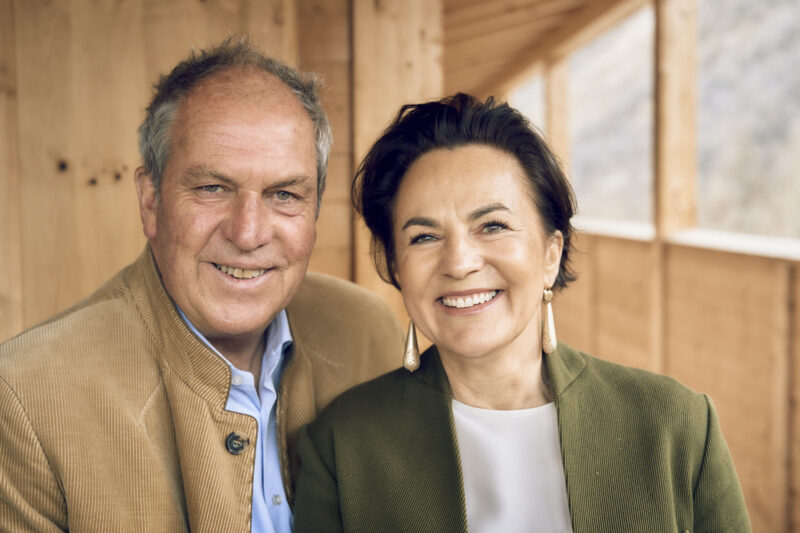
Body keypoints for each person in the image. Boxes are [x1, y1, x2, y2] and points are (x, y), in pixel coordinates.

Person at [293, 93, 752, 532]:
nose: (459, 263)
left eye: (492, 226)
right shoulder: (341, 446)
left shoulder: (677, 425)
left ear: (551, 253)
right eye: (424, 237)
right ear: (396, 266)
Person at [0, 39, 401, 532]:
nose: (248, 232)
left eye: (284, 194)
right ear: (151, 201)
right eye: (213, 188)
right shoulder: (25, 395)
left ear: (315, 210)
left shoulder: (369, 332)